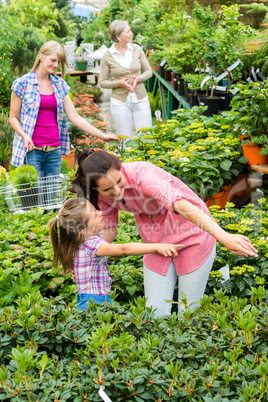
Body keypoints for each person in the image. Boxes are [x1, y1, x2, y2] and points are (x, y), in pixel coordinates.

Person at [70, 149, 258, 318]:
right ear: (95, 188)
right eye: (108, 189)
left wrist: (224, 236)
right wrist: (86, 257)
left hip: (193, 235)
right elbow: (109, 231)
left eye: (119, 181)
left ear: (120, 167)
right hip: (156, 244)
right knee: (153, 313)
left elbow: (180, 205)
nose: (117, 191)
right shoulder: (100, 195)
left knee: (189, 313)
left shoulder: (142, 175)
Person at [48, 197, 182, 310]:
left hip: (89, 298)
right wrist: (157, 247)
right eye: (95, 214)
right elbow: (124, 249)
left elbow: (111, 232)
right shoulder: (92, 244)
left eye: (96, 209)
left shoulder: (77, 241)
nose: (100, 213)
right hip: (94, 301)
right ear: (84, 231)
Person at [9, 40, 119, 176]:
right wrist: (24, 136)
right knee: (33, 196)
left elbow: (75, 117)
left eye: (58, 62)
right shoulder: (22, 84)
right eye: (53, 60)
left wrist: (102, 135)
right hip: (31, 151)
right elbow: (13, 117)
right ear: (41, 56)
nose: (56, 65)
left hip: (53, 153)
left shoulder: (60, 85)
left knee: (51, 196)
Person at [99, 20, 153, 139]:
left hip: (141, 100)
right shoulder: (108, 56)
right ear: (118, 36)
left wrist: (139, 78)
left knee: (147, 137)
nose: (131, 33)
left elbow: (149, 71)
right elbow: (102, 82)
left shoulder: (137, 49)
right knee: (125, 139)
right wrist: (118, 83)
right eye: (127, 31)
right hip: (120, 103)